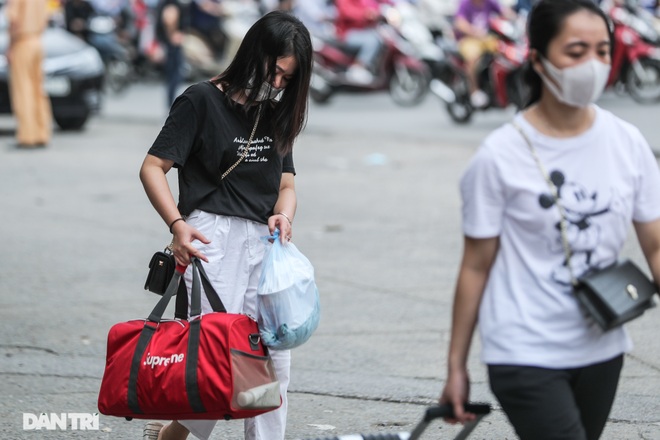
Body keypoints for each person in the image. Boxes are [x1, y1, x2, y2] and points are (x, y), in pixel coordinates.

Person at [438, 1, 660, 439]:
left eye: (601, 51)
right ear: (537, 59)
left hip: (603, 345)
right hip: (524, 350)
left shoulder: (627, 142)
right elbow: (475, 266)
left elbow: (654, 242)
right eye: (575, 52)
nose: (592, 66)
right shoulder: (499, 157)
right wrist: (456, 366)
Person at [139, 10, 312, 440]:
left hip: (264, 243)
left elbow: (286, 183)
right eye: (274, 72)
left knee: (269, 362)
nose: (277, 85)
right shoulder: (200, 100)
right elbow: (152, 167)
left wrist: (283, 215)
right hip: (211, 241)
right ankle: (169, 436)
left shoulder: (276, 112)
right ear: (254, 53)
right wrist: (178, 225)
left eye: (287, 79)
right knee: (215, 362)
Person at [5, 0, 53, 148]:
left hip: (23, 42)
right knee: (37, 89)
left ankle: (27, 136)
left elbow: (14, 20)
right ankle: (41, 133)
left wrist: (10, 46)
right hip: (38, 41)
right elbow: (46, 18)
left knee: (23, 90)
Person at [452, 0, 506, 108]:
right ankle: (474, 91)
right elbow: (460, 23)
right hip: (469, 39)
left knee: (505, 50)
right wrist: (474, 32)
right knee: (473, 59)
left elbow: (505, 12)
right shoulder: (465, 4)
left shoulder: (489, 2)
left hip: (486, 38)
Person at [334, 0, 383, 84]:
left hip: (361, 31)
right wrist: (365, 14)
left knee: (379, 37)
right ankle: (357, 68)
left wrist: (375, 13)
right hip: (346, 34)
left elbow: (371, 8)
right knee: (372, 41)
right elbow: (346, 12)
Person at [154, 0, 190, 106]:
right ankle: (170, 104)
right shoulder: (163, 5)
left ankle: (172, 103)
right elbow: (158, 26)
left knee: (177, 74)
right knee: (171, 76)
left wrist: (180, 34)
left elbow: (184, 24)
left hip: (176, 45)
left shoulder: (179, 5)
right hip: (167, 45)